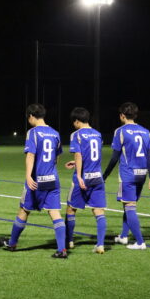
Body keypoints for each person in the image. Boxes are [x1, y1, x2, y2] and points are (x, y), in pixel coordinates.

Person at [3, 103, 67, 258]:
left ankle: (12, 243)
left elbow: (30, 155)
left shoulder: (32, 133)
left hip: (36, 181)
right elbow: (56, 158)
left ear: (31, 116)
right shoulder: (55, 133)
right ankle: (62, 249)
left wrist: (28, 176)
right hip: (52, 179)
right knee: (55, 213)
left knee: (24, 210)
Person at [102, 102, 150, 250]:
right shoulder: (145, 131)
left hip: (128, 175)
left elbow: (114, 157)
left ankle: (140, 242)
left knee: (129, 206)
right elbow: (148, 156)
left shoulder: (120, 131)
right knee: (129, 204)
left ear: (122, 116)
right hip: (142, 174)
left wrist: (105, 175)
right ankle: (124, 236)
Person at [63, 107, 107, 254]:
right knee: (99, 211)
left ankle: (69, 241)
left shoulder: (76, 135)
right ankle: (100, 245)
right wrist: (76, 163)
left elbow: (79, 155)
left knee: (71, 209)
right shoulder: (98, 134)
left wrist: (79, 175)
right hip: (97, 177)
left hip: (82, 178)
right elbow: (93, 156)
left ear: (77, 121)